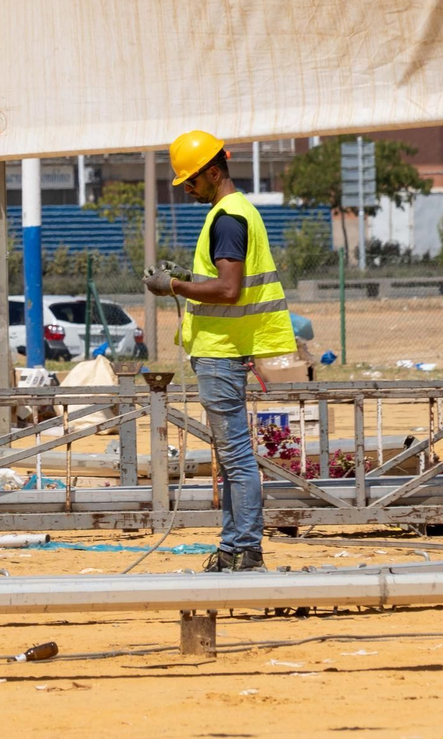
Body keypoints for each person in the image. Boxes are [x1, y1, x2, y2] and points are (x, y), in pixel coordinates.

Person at [142, 130, 296, 573]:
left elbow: (229, 289)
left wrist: (173, 285)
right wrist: (190, 276)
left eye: (191, 181)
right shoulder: (234, 211)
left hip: (222, 353)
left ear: (215, 171)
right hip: (226, 352)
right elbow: (225, 281)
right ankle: (233, 550)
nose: (187, 189)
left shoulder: (228, 217)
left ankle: (245, 551)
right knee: (232, 459)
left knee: (237, 459)